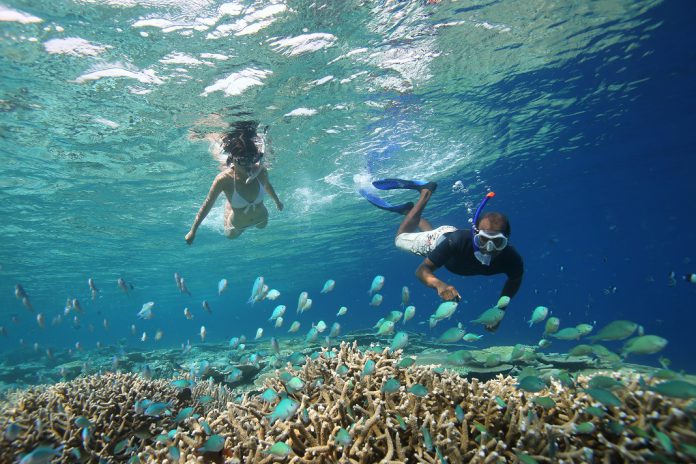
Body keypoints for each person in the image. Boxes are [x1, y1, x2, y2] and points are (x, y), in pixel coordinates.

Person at [362, 179, 523, 330]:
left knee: (438, 242)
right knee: (399, 239)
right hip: (439, 239)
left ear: (507, 240)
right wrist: (439, 285)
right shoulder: (458, 242)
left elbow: (515, 279)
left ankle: (413, 213)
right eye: (483, 240)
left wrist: (499, 312)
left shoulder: (512, 260)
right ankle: (424, 194)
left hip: (449, 240)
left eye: (497, 242)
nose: (488, 248)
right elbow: (422, 270)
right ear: (475, 234)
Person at [185, 121, 283, 244]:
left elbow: (267, 185)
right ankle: (230, 203)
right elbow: (207, 204)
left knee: (261, 226)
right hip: (235, 227)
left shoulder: (260, 171)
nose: (249, 165)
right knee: (230, 235)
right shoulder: (224, 179)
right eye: (243, 161)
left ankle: (234, 200)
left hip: (261, 220)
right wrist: (193, 230)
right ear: (233, 160)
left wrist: (277, 201)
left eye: (252, 159)